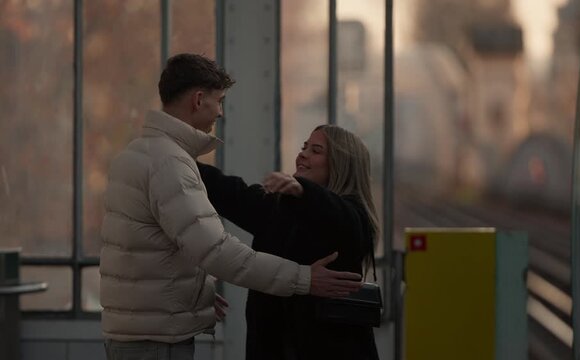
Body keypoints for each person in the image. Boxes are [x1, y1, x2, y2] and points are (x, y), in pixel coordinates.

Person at [99, 54, 362, 360]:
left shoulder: (139, 154)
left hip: (141, 331)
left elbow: (155, 246)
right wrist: (305, 278)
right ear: (199, 100)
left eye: (315, 150)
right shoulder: (169, 163)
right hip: (155, 341)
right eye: (219, 101)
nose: (220, 112)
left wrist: (196, 292)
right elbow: (215, 251)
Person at [197, 124, 380, 360]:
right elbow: (232, 192)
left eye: (316, 150)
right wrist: (183, 163)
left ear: (341, 165)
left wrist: (305, 191)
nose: (302, 154)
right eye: (304, 147)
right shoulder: (279, 208)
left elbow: (344, 220)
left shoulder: (353, 217)